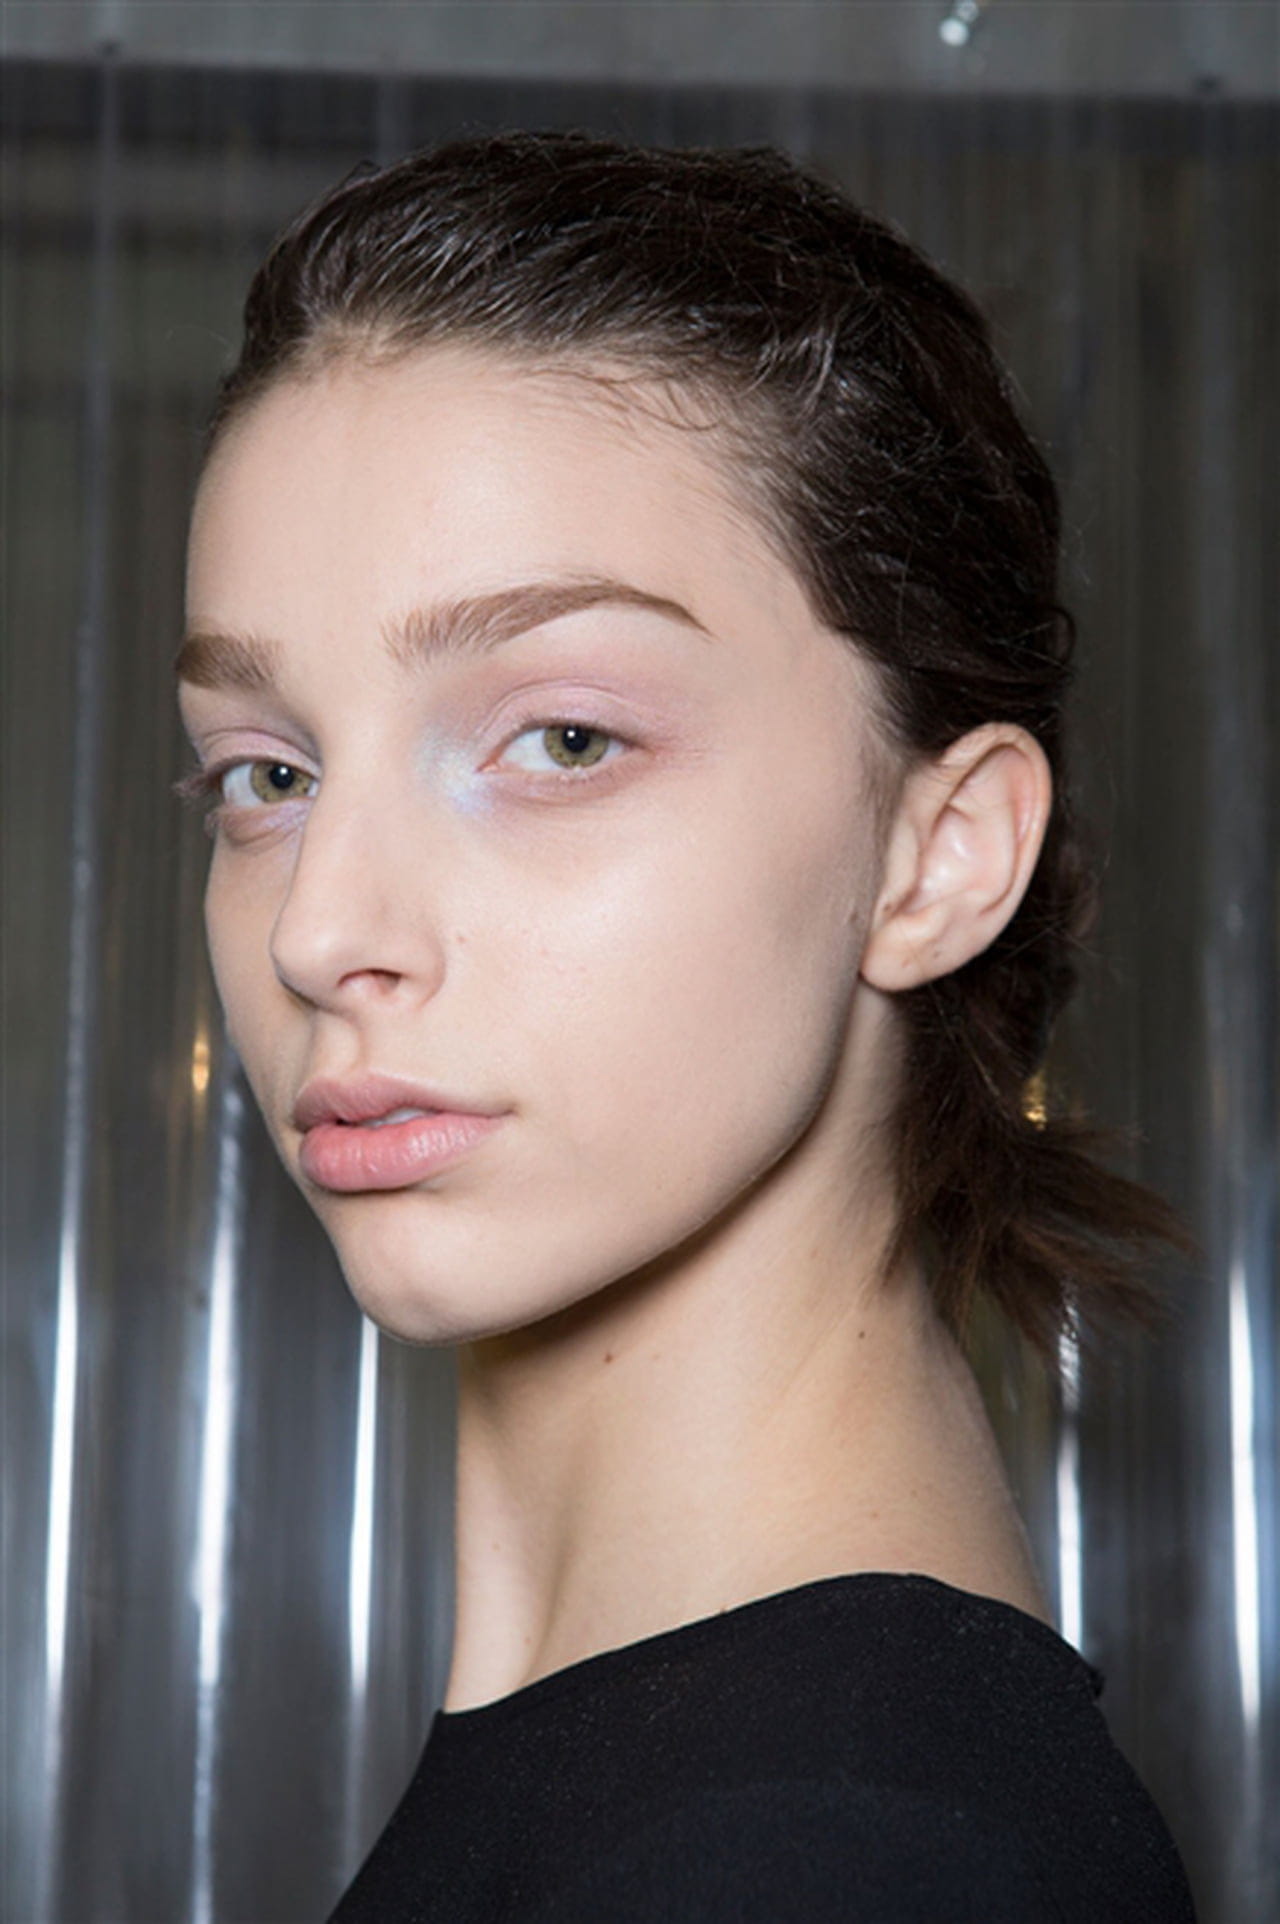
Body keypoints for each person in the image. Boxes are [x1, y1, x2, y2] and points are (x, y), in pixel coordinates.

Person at [176, 132, 1195, 1920]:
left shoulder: (834, 1863)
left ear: (938, 855)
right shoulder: (724, 1801)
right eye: (267, 773)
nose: (321, 932)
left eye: (563, 740)